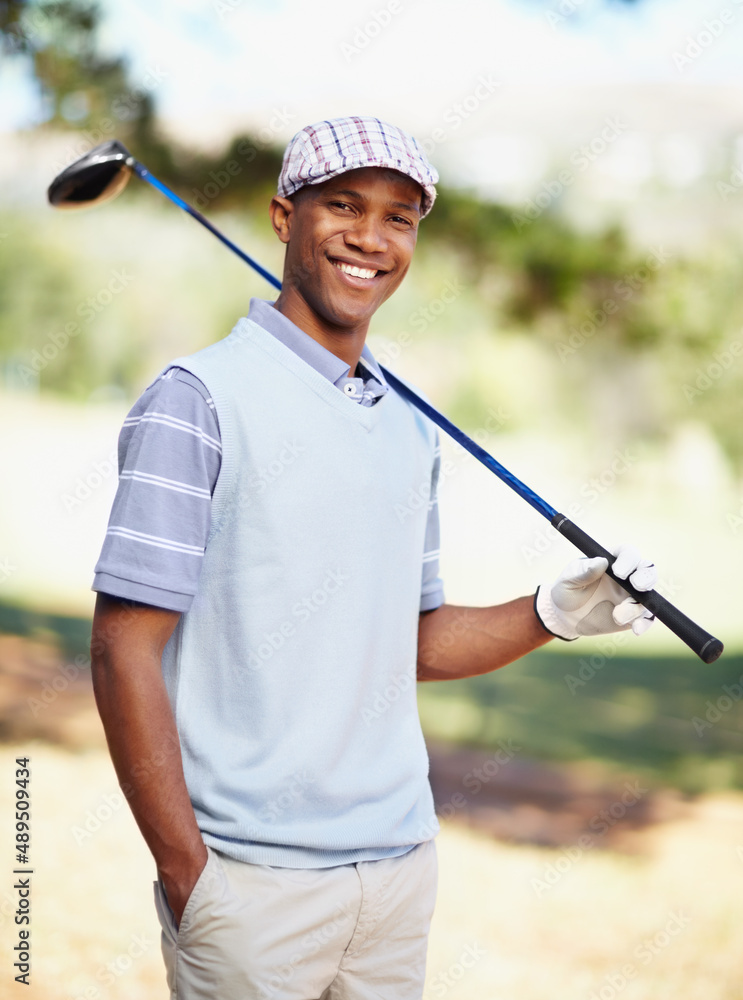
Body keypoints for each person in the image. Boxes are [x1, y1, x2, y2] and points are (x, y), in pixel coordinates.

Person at [90, 116, 657, 1000]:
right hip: (249, 885)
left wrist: (556, 611)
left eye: (399, 217)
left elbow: (413, 642)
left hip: (397, 876)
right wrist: (188, 877)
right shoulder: (195, 400)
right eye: (343, 206)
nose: (370, 237)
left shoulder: (407, 425)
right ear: (285, 217)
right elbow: (124, 649)